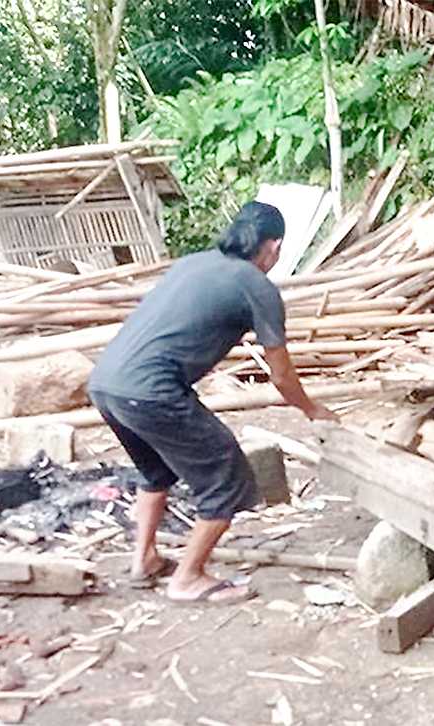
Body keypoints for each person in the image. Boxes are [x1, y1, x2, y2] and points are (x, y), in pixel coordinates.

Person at [87, 201, 338, 604]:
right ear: (273, 247)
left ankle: (145, 560)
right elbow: (281, 377)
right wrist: (313, 410)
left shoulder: (193, 264)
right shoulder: (257, 287)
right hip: (152, 390)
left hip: (105, 384)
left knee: (157, 474)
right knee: (227, 477)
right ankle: (187, 578)